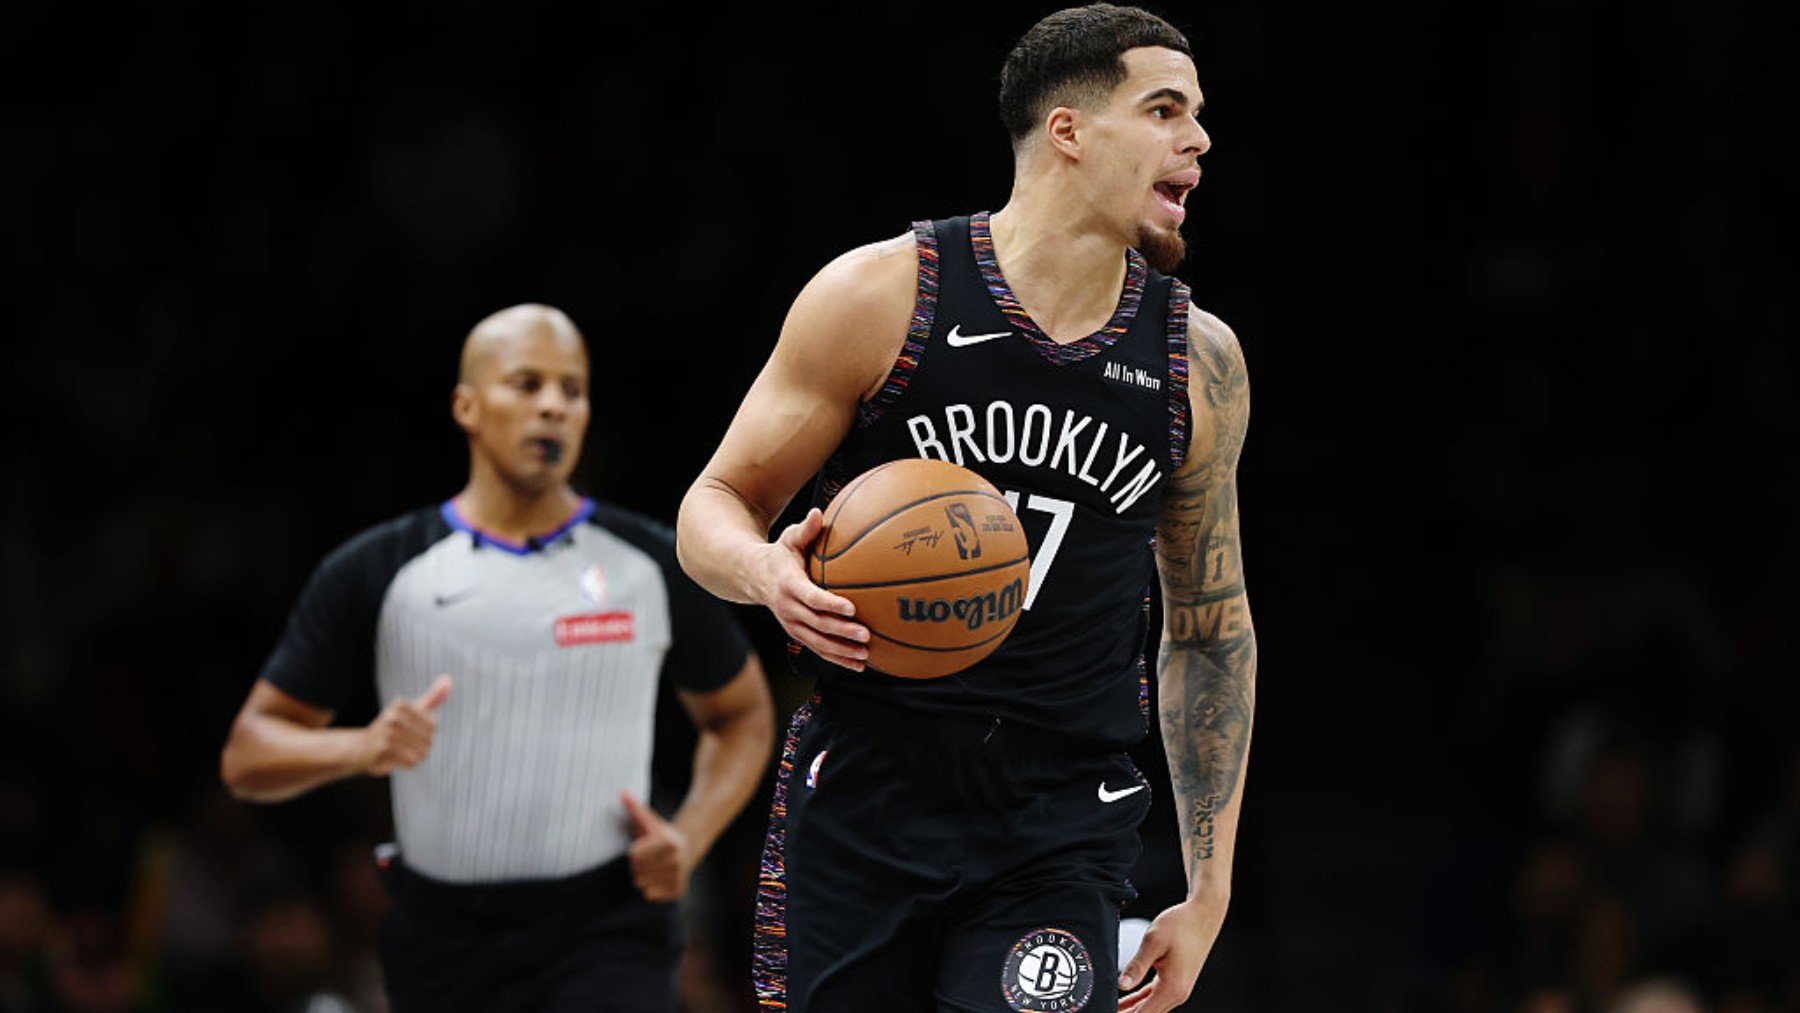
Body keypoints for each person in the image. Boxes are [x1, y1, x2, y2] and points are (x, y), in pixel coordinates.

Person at [676, 6, 1255, 1011]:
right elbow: (714, 504)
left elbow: (1209, 627)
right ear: (1068, 129)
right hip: (867, 790)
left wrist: (1209, 887)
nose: (1198, 138)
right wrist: (766, 569)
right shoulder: (885, 295)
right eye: (1165, 109)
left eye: (1199, 114)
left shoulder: (1196, 360)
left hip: (1056, 818)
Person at [220, 304, 775, 1012]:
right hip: (443, 932)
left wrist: (689, 839)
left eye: (572, 390)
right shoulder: (379, 569)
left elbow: (742, 715)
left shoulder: (650, 564)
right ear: (467, 405)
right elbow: (248, 755)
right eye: (527, 383)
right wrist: (361, 747)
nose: (553, 406)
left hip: (607, 924)